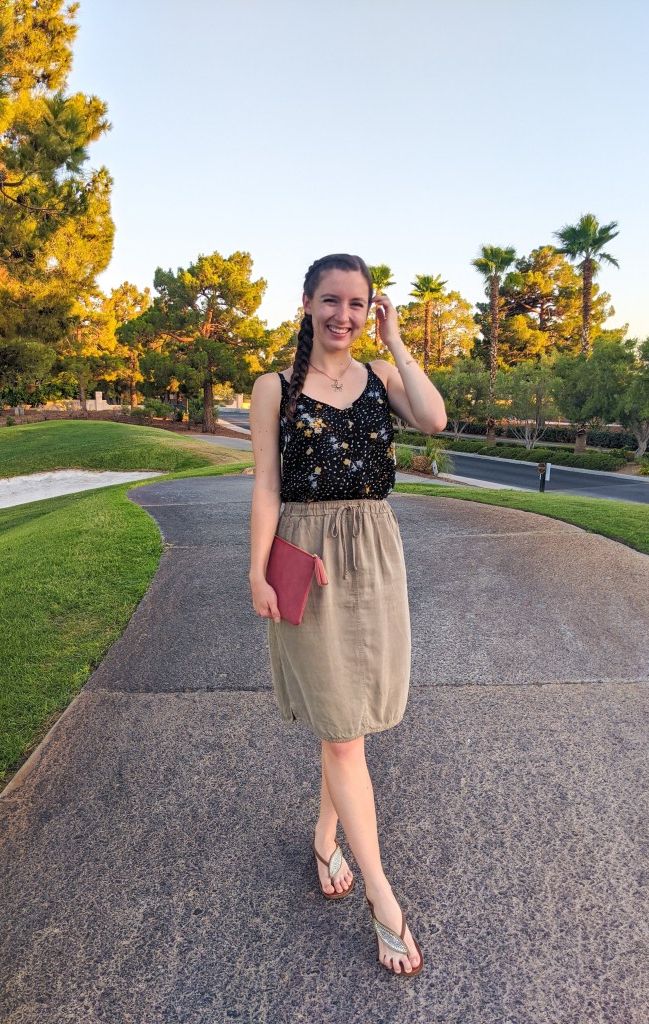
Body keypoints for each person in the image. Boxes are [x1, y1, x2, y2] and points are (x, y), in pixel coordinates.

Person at [249, 253, 447, 977]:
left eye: (357, 304)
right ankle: (382, 897)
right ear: (307, 303)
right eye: (330, 300)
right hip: (307, 555)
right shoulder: (274, 388)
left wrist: (396, 342)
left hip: (375, 552)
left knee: (349, 721)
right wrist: (257, 569)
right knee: (341, 733)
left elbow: (435, 418)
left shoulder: (383, 376)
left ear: (371, 310)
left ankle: (323, 837)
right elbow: (267, 485)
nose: (343, 315)